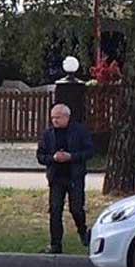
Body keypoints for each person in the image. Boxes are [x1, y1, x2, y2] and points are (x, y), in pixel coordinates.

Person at [37, 103, 94, 254]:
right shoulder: (48, 134)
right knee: (55, 210)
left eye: (58, 117)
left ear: (67, 117)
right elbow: (40, 156)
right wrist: (53, 158)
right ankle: (55, 244)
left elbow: (89, 151)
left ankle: (83, 231)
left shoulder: (79, 131)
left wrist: (71, 157)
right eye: (52, 118)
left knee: (76, 209)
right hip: (56, 178)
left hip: (74, 176)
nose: (55, 121)